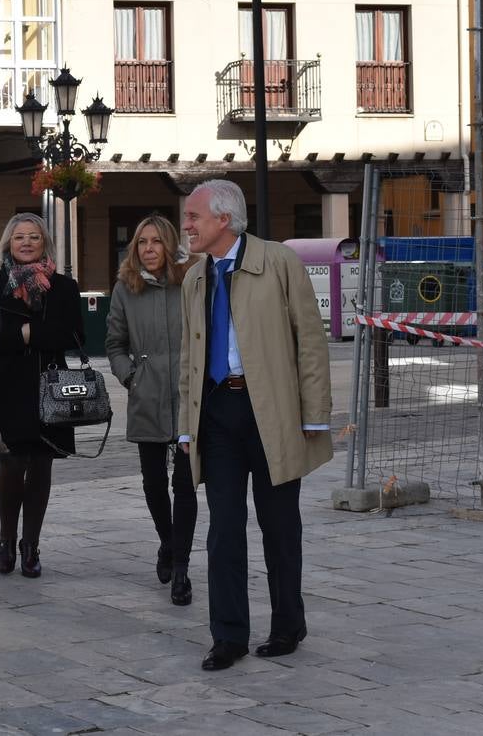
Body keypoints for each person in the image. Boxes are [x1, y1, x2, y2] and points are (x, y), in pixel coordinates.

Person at [177, 179, 332, 672]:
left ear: (224, 219)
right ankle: (228, 637)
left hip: (274, 413)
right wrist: (186, 427)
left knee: (279, 526)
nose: (187, 225)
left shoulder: (279, 262)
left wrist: (315, 415)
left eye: (194, 217)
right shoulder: (193, 279)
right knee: (223, 527)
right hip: (218, 415)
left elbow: (310, 341)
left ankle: (288, 625)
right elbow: (188, 359)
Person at [105, 213, 197, 607]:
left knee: (186, 483)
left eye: (156, 242)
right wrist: (132, 376)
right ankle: (166, 540)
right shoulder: (126, 287)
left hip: (188, 396)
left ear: (169, 244)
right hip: (147, 393)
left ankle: (181, 567)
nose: (148, 249)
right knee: (154, 482)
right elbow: (114, 343)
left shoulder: (191, 281)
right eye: (142, 242)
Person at [0, 212, 82, 579]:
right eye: (19, 238)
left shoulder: (63, 287)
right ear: (8, 245)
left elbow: (72, 336)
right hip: (8, 386)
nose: (26, 243)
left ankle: (31, 545)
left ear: (45, 243)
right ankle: (6, 540)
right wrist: (25, 334)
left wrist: (26, 333)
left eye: (34, 237)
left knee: (42, 463)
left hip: (50, 385)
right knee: (12, 464)